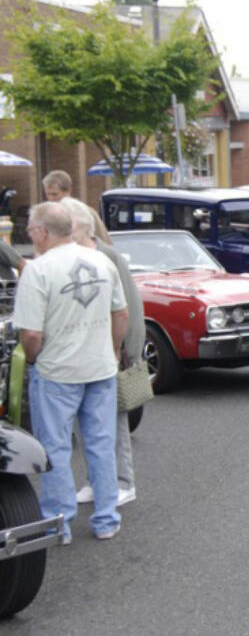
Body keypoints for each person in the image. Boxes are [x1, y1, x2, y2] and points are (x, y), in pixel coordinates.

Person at [15, 202, 128, 542]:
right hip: (100, 368)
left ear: (44, 232)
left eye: (32, 231)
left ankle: (58, 523)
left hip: (57, 372)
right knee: (101, 444)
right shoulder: (102, 261)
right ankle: (107, 518)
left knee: (55, 449)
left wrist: (34, 360)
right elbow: (119, 314)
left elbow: (31, 334)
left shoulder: (39, 270)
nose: (30, 236)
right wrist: (111, 351)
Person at [61, 197, 143, 507]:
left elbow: (128, 306)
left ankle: (125, 481)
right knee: (87, 421)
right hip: (87, 353)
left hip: (113, 351)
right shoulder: (75, 256)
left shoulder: (107, 256)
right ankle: (95, 480)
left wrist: (128, 351)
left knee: (117, 419)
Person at [42, 170, 111, 245]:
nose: (51, 199)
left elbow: (104, 241)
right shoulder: (52, 213)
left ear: (68, 191)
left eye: (55, 194)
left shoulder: (84, 212)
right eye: (48, 194)